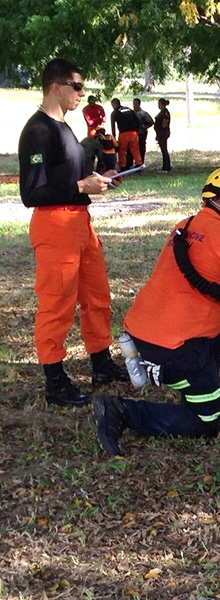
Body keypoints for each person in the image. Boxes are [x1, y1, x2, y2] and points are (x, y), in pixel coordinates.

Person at [92, 167, 220, 456]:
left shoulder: (184, 226)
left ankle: (197, 384)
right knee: (207, 419)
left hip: (141, 328)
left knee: (212, 377)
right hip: (175, 346)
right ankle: (123, 411)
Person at [18, 58, 127, 408]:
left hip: (80, 223)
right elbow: (31, 193)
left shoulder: (65, 127)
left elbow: (74, 178)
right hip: (54, 224)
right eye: (76, 86)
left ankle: (101, 364)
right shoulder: (38, 131)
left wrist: (100, 176)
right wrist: (82, 184)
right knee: (57, 303)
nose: (82, 93)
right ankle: (55, 380)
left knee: (97, 297)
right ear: (56, 87)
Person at [109, 98, 143, 170]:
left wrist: (114, 137)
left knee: (122, 151)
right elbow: (137, 120)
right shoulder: (129, 109)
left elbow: (113, 126)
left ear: (114, 104)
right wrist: (136, 131)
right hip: (133, 133)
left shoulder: (114, 113)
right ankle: (139, 164)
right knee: (135, 150)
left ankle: (123, 166)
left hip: (123, 134)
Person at [132, 98, 154, 166]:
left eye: (136, 104)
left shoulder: (143, 113)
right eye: (133, 104)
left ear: (139, 104)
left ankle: (141, 163)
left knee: (141, 148)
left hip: (141, 133)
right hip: (133, 134)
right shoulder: (131, 113)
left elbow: (151, 122)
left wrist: (144, 127)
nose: (134, 105)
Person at [153, 98, 171, 172]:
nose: (158, 106)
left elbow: (164, 123)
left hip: (163, 133)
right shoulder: (162, 112)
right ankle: (165, 165)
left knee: (164, 150)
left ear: (163, 104)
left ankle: (166, 167)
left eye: (159, 104)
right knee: (163, 150)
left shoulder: (165, 113)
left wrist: (159, 129)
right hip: (160, 133)